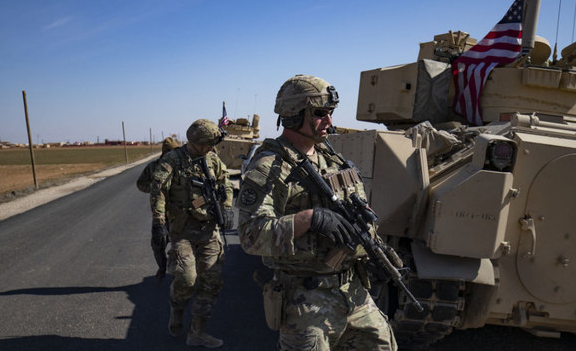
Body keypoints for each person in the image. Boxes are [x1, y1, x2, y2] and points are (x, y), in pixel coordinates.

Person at [236, 75, 397, 351]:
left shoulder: (330, 158)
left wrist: (373, 247)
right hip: (306, 299)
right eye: (320, 113)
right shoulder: (269, 167)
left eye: (330, 113)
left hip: (354, 292)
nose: (329, 121)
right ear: (294, 115)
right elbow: (250, 235)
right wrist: (310, 219)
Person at [150, 119, 234, 349]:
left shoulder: (212, 159)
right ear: (197, 142)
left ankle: (198, 331)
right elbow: (158, 192)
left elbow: (225, 183)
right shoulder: (173, 161)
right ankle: (177, 307)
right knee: (187, 278)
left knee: (212, 281)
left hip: (208, 230)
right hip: (183, 230)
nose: (210, 148)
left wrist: (227, 207)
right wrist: (159, 223)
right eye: (207, 144)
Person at [137, 136, 181, 281]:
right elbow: (140, 184)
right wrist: (157, 188)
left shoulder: (182, 166)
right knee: (158, 244)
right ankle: (162, 267)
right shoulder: (153, 167)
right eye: (170, 152)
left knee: (180, 245)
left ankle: (179, 272)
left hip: (180, 213)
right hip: (161, 213)